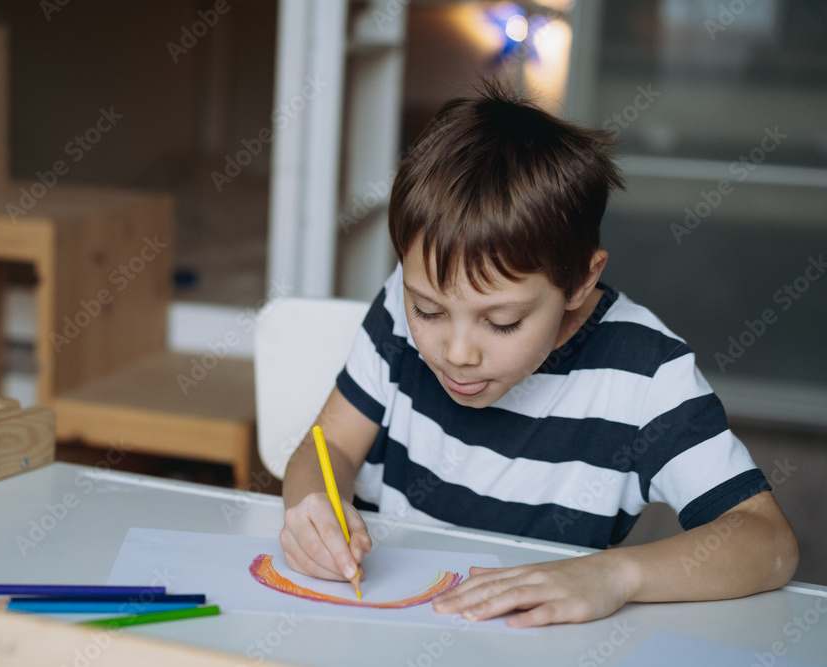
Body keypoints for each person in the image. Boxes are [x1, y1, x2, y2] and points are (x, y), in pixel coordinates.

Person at [278, 80, 798, 628]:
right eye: (427, 310)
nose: (456, 352)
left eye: (502, 321)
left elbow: (768, 542)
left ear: (579, 281)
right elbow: (328, 444)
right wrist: (315, 506)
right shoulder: (395, 302)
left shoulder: (645, 374)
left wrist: (615, 575)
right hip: (385, 626)